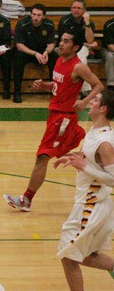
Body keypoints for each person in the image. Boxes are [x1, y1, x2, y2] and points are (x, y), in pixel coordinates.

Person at [3, 30, 104, 212]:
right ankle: (93, 164)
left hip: (64, 118)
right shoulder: (59, 59)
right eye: (61, 40)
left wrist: (84, 101)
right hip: (54, 116)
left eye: (66, 41)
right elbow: (59, 83)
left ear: (75, 47)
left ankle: (26, 199)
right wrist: (45, 85)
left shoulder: (78, 66)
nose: (61, 43)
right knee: (57, 154)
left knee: (42, 156)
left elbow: (98, 85)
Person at [54, 90, 114, 291]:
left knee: (68, 256)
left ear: (103, 109)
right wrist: (73, 158)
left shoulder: (105, 143)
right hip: (94, 202)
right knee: (86, 255)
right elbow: (90, 159)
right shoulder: (96, 130)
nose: (91, 101)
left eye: (95, 100)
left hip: (91, 204)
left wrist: (83, 167)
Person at [12, 3, 57, 103]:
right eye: (34, 14)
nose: (36, 17)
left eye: (39, 15)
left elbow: (51, 44)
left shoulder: (49, 25)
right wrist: (35, 54)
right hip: (28, 52)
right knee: (18, 57)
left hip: (42, 52)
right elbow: (19, 45)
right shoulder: (22, 24)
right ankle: (17, 92)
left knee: (55, 57)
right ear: (30, 14)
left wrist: (46, 52)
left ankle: (54, 92)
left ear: (43, 16)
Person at [57, 0, 98, 98]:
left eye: (79, 8)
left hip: (82, 47)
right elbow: (64, 40)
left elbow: (90, 40)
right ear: (70, 9)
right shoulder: (65, 21)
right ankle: (86, 90)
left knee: (81, 57)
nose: (76, 10)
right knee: (79, 58)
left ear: (84, 10)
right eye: (74, 8)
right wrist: (88, 44)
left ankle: (85, 91)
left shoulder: (89, 22)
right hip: (66, 47)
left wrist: (87, 23)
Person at [103, 18, 114, 92]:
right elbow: (110, 45)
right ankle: (111, 85)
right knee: (110, 56)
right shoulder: (110, 25)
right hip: (109, 49)